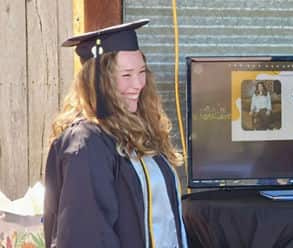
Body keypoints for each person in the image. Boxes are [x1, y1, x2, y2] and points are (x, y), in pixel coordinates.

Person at [43, 19, 188, 248]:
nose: (139, 84)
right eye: (126, 75)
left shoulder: (138, 130)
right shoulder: (87, 142)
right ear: (99, 82)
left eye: (142, 72)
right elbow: (87, 235)